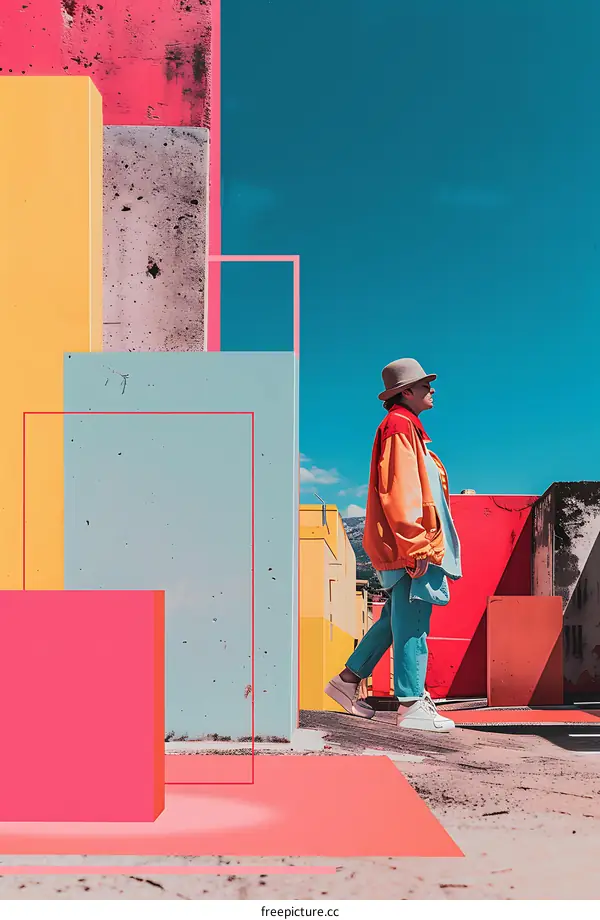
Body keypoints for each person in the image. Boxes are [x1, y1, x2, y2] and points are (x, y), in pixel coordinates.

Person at [325, 358, 462, 732]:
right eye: (424, 385)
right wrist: (417, 545)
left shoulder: (404, 428)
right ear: (406, 392)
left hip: (404, 542)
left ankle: (346, 681)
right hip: (412, 544)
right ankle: (412, 703)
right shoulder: (401, 425)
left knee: (394, 618)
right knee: (414, 619)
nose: (431, 390)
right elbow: (400, 489)